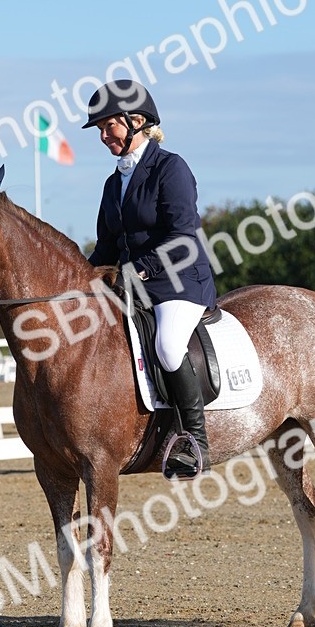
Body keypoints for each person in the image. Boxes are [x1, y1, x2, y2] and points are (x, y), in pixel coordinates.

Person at [84, 79, 216, 479]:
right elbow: (106, 246)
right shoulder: (113, 183)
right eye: (101, 130)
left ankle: (195, 442)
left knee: (169, 345)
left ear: (137, 120)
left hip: (178, 282)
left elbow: (183, 238)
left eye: (110, 126)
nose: (104, 136)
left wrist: (139, 270)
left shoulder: (170, 168)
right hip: (129, 284)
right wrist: (79, 280)